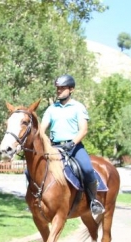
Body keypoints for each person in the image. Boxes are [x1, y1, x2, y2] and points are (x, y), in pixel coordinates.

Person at [39, 74, 105, 217]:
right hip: (55, 148)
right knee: (30, 171)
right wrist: (46, 143)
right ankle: (35, 201)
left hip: (74, 147)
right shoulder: (51, 109)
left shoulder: (78, 107)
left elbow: (83, 129)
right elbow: (41, 129)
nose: (59, 91)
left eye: (62, 88)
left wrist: (72, 143)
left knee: (87, 169)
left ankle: (94, 201)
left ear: (71, 89)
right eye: (58, 88)